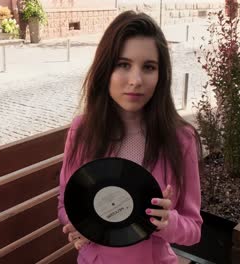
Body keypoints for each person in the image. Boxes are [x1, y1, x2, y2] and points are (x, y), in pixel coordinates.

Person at [57, 11, 202, 264]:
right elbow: (65, 204)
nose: (135, 80)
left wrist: (169, 222)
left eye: (148, 67)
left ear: (160, 76)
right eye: (123, 64)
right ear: (105, 70)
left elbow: (194, 230)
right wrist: (78, 226)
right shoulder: (82, 131)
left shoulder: (181, 139)